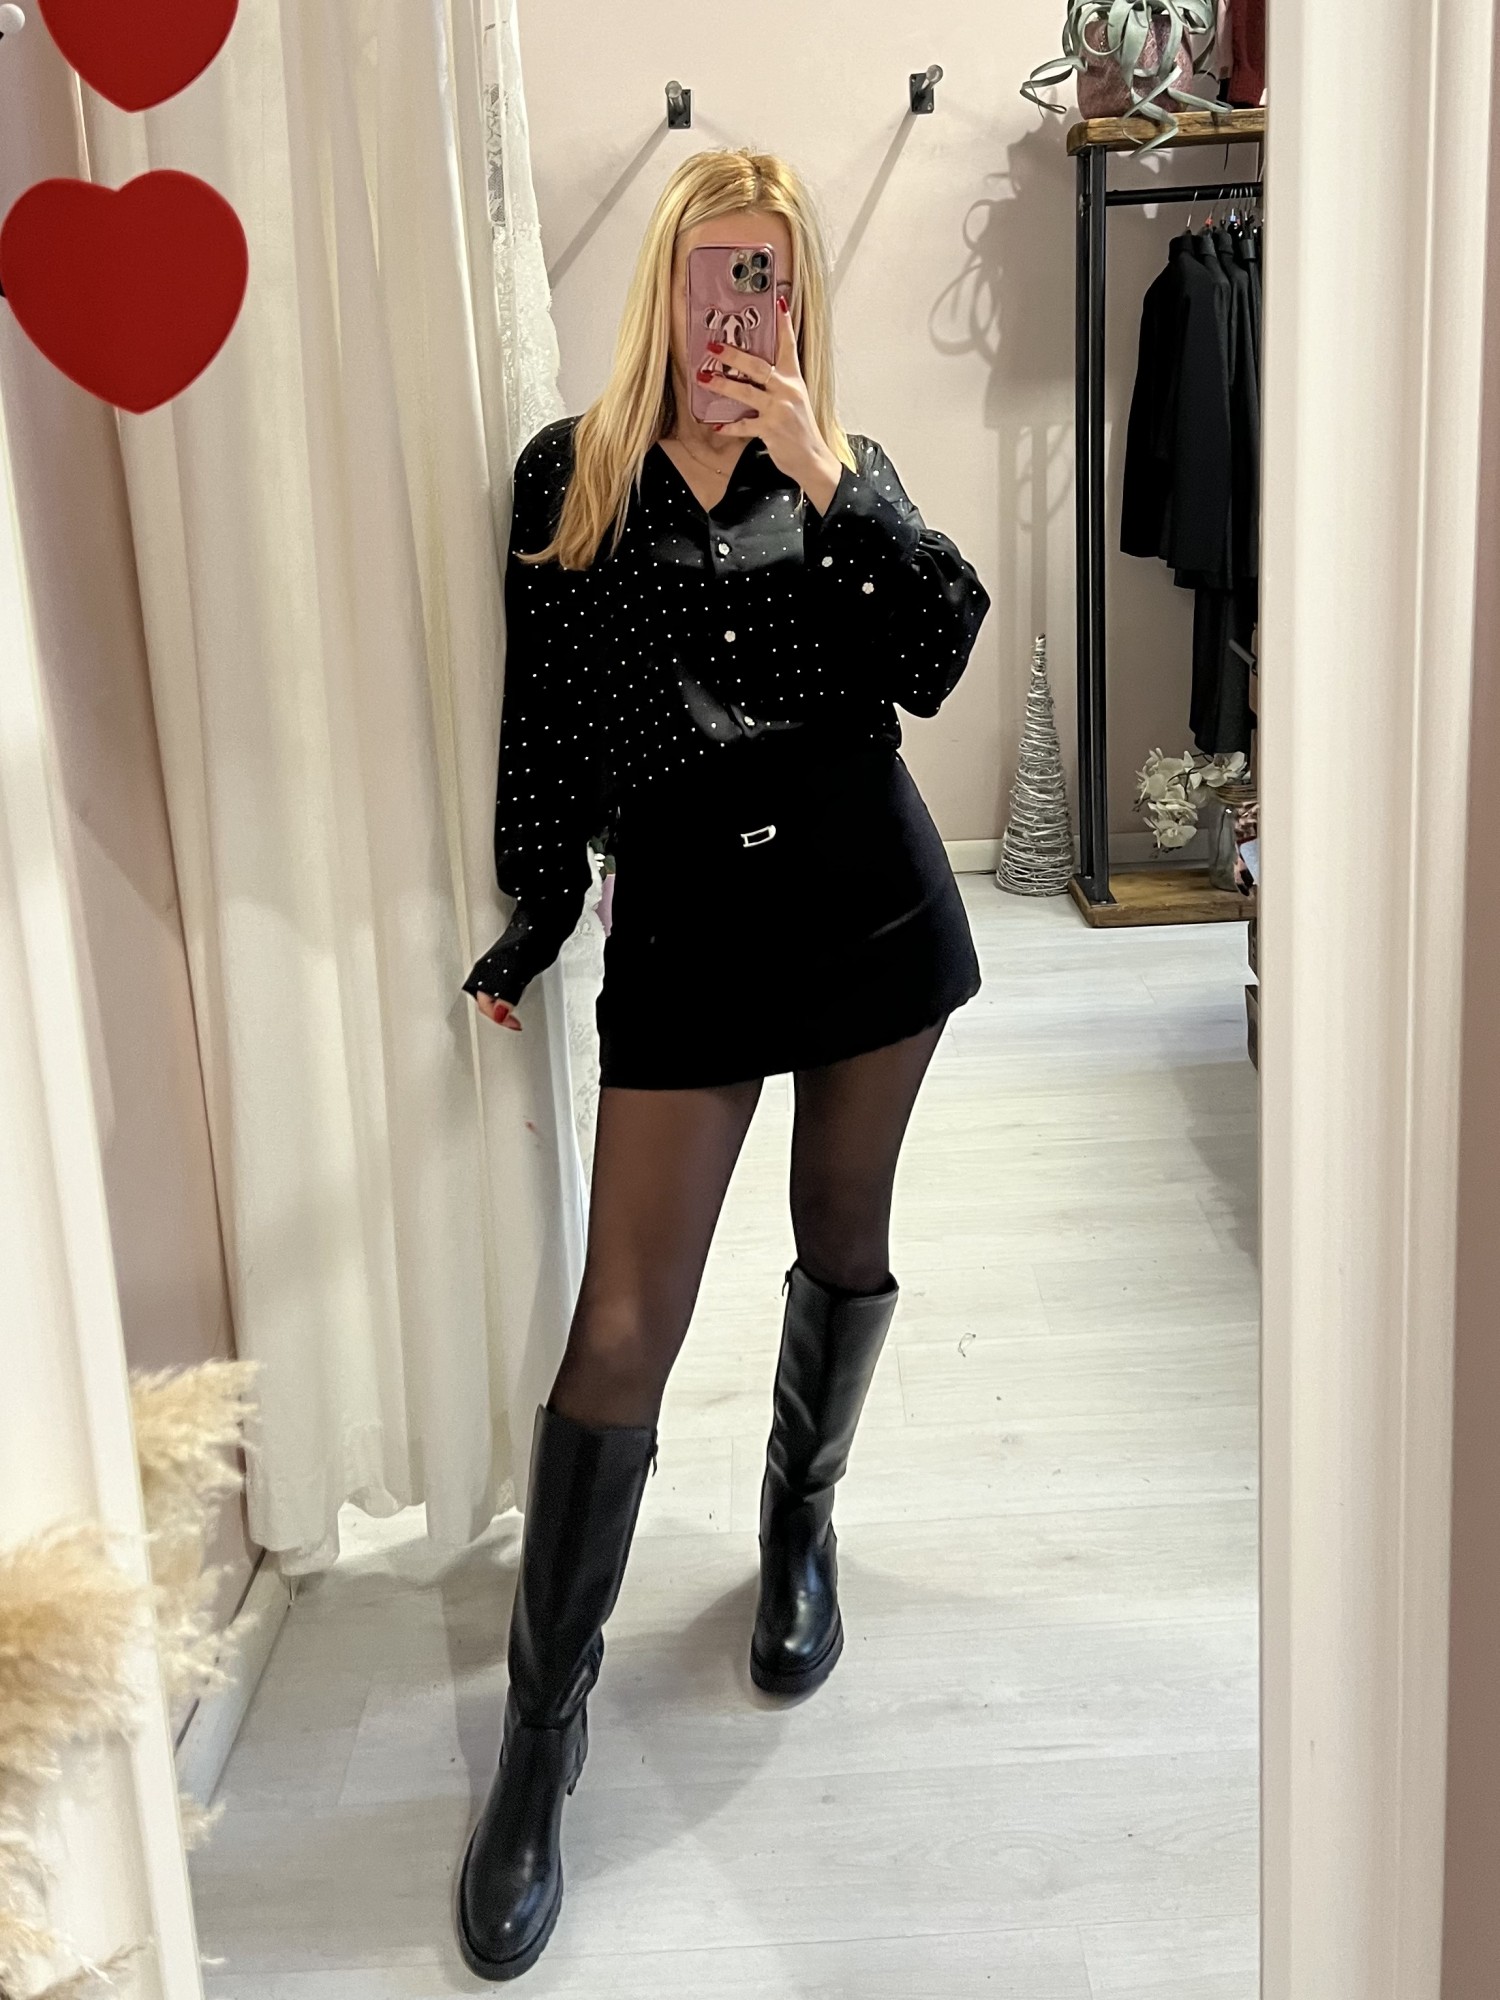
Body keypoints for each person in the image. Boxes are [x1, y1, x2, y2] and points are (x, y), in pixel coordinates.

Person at [455, 146, 991, 1981]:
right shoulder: (571, 477)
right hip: (685, 936)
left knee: (843, 1238)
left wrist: (840, 480)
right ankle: (541, 1736)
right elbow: (547, 733)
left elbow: (939, 653)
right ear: (663, 289)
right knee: (621, 1329)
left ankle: (799, 1524)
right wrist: (536, 915)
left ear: (794, 299)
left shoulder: (844, 473)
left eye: (760, 276)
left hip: (867, 916)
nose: (726, 311)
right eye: (705, 274)